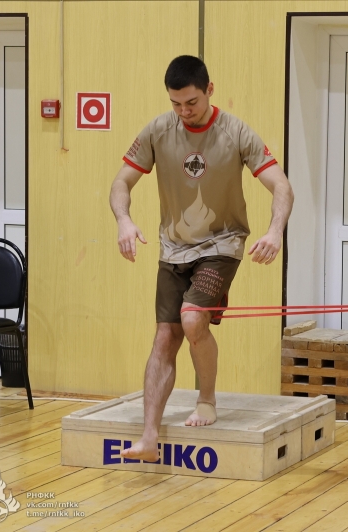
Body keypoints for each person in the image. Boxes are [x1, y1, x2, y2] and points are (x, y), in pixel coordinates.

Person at [109, 55, 293, 461]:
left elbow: (281, 185)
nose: (184, 111)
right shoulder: (158, 130)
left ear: (209, 90)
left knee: (192, 319)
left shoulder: (236, 132)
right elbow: (122, 181)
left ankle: (206, 400)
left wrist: (275, 231)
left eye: (191, 102)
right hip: (173, 247)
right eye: (175, 103)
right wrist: (124, 220)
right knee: (165, 336)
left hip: (221, 245)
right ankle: (149, 438)